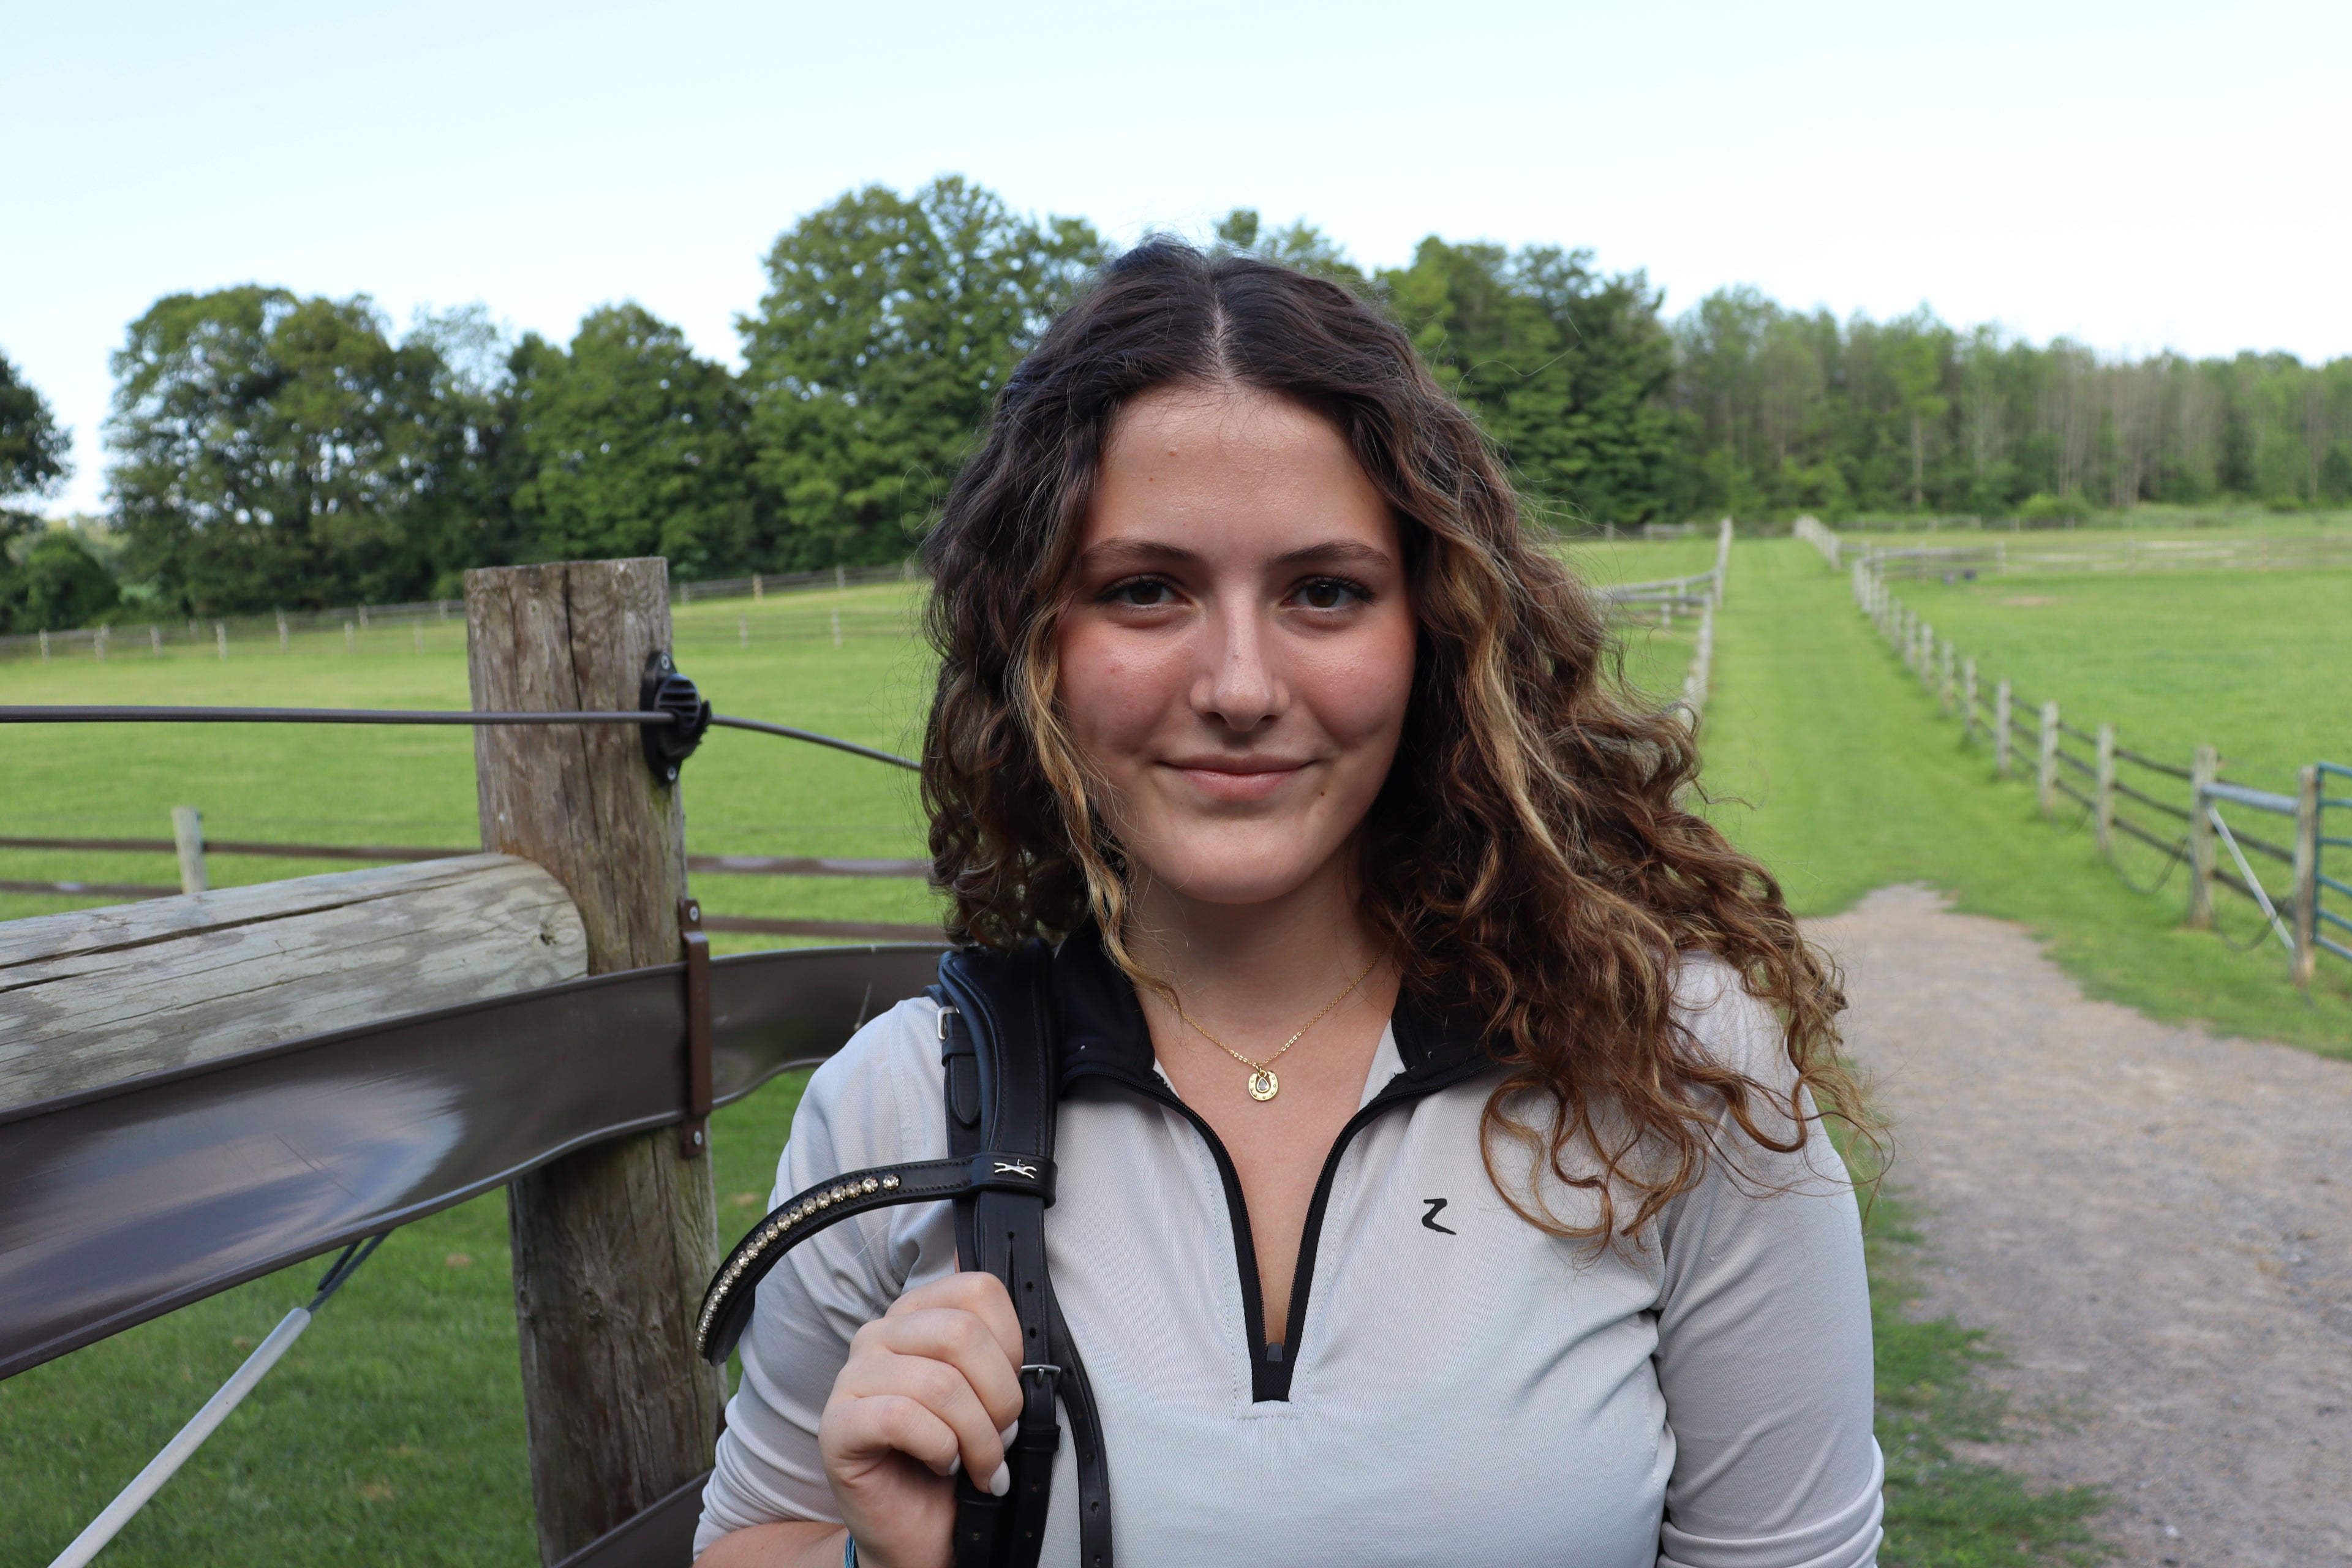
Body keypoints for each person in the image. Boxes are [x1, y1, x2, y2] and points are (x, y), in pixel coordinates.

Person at [693, 241, 1882, 1568]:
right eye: (1148, 589)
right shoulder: (894, 1106)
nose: (1242, 684)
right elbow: (757, 1536)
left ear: (1436, 629)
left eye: (1325, 590)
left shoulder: (1673, 1065)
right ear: (1035, 641)